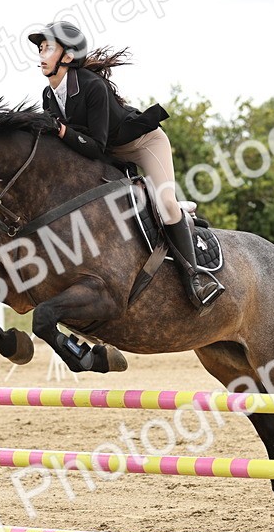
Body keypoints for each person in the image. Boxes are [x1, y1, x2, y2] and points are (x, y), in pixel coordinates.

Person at [27, 21, 224, 315]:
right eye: (40, 48)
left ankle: (196, 276)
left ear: (67, 56)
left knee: (166, 205)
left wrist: (59, 130)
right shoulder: (48, 94)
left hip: (142, 145)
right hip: (108, 155)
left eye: (49, 48)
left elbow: (93, 144)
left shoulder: (93, 86)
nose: (42, 53)